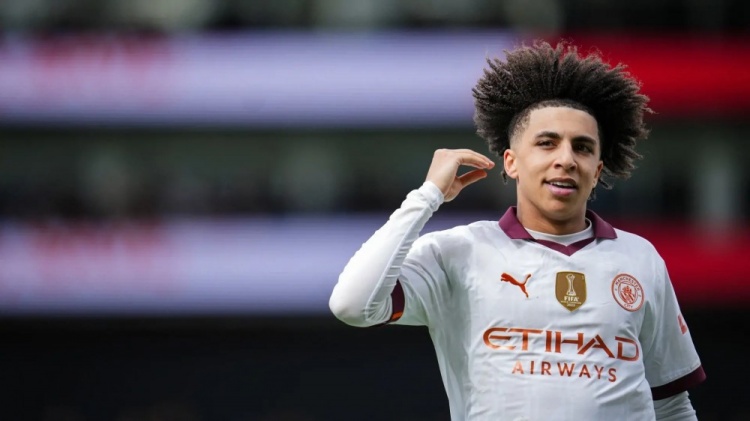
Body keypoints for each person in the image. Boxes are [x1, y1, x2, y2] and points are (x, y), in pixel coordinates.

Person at [329, 41, 705, 420]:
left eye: (582, 148)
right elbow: (353, 305)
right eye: (547, 143)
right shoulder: (459, 252)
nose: (566, 159)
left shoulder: (640, 258)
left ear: (597, 172)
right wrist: (427, 196)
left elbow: (672, 405)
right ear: (511, 162)